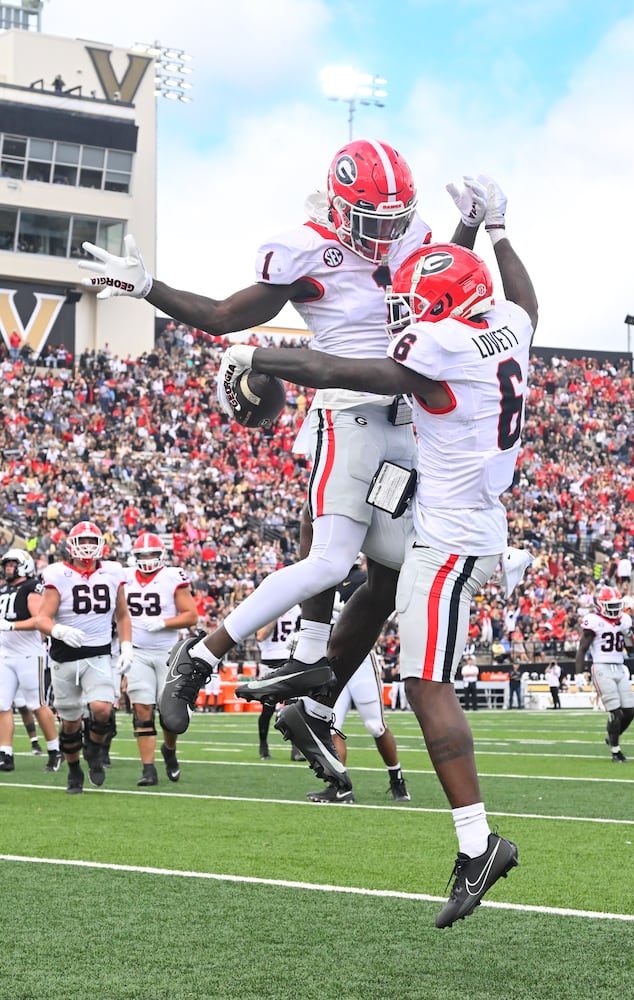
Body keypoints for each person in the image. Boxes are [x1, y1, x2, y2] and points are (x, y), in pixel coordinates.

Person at [78, 139, 487, 737]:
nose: (388, 232)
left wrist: (470, 225)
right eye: (374, 220)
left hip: (408, 421)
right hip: (347, 414)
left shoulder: (412, 235)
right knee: (328, 560)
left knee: (400, 571)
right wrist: (150, 290)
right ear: (342, 210)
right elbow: (223, 316)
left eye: (396, 219)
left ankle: (312, 690)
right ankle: (199, 657)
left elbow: (446, 277)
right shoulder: (308, 252)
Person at [216, 176, 536, 928]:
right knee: (376, 585)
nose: (411, 316)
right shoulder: (506, 328)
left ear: (445, 311)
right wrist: (495, 229)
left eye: (425, 306)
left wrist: (259, 357)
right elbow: (523, 299)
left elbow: (334, 371)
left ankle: (477, 842)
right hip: (452, 518)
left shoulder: (443, 347)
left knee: (426, 685)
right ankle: (318, 699)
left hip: (450, 534)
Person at [33, 521, 132, 793]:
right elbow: (41, 618)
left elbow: (122, 614)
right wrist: (59, 630)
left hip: (99, 652)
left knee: (102, 708)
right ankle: (74, 769)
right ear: (71, 546)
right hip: (64, 656)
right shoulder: (57, 574)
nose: (87, 546)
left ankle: (95, 750)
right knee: (70, 722)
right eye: (82, 541)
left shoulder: (113, 572)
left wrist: (126, 646)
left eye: (92, 540)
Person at [306, 561, 410, 804]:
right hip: (330, 660)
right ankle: (340, 787)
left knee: (375, 726)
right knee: (332, 725)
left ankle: (397, 779)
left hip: (360, 657)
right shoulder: (318, 578)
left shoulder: (361, 578)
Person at [124, 532, 199, 785]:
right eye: (142, 555)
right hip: (137, 651)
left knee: (169, 714)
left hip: (167, 652)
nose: (147, 559)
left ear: (161, 555)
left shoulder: (171, 576)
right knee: (142, 708)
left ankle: (169, 750)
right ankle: (148, 769)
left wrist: (163, 622)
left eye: (152, 554)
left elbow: (191, 616)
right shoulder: (124, 578)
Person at [0, 549, 63, 773]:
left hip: (28, 654)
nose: (8, 568)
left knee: (36, 705)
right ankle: (5, 752)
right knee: (2, 705)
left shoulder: (32, 587)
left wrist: (11, 625)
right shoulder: (4, 588)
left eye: (11, 565)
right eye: (6, 565)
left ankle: (55, 750)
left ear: (24, 565)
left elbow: (39, 620)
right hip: (5, 654)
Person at [575, 585, 634, 762]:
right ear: (601, 604)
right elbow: (582, 648)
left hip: (619, 666)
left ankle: (611, 737)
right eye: (611, 605)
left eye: (617, 604)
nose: (615, 609)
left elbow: (631, 647)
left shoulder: (624, 619)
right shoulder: (593, 620)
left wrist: (629, 634)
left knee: (630, 711)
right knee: (615, 712)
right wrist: (579, 674)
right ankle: (616, 751)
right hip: (601, 667)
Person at [254, 604, 304, 761]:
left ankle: (295, 749)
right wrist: (276, 612)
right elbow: (261, 635)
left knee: (293, 708)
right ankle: (263, 745)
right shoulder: (265, 608)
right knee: (268, 709)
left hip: (289, 662)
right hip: (269, 665)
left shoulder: (296, 609)